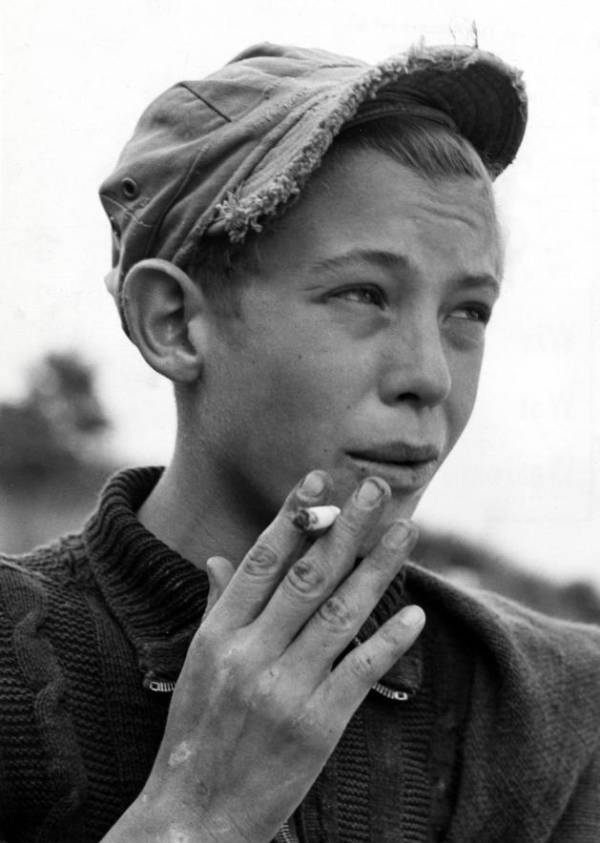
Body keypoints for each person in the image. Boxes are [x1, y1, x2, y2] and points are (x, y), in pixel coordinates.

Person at [1, 41, 599, 843]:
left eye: (468, 311)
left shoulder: (551, 706)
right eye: (363, 294)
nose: (430, 375)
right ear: (173, 323)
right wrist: (194, 815)